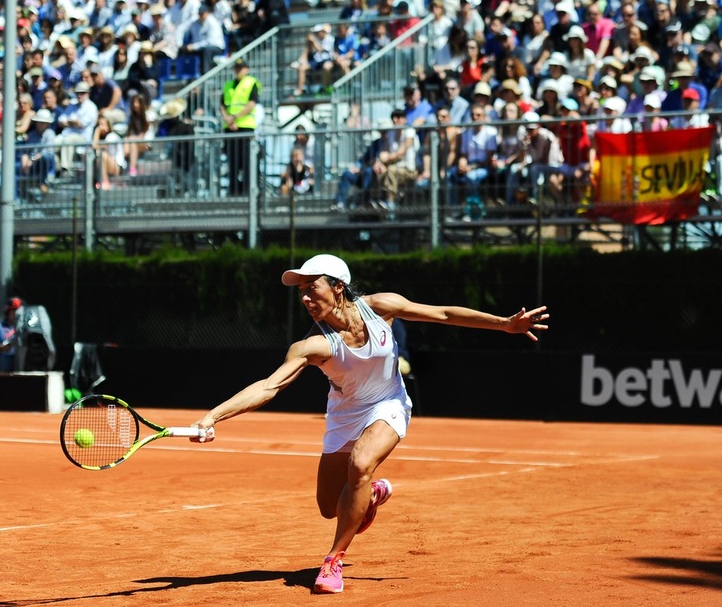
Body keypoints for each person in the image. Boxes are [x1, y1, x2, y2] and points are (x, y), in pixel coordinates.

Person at [189, 254, 549, 595]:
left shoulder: (380, 307)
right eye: (301, 292)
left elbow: (442, 313)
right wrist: (212, 416)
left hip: (389, 404)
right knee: (331, 507)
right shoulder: (313, 346)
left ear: (338, 287)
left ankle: (333, 561)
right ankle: (373, 493)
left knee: (360, 463)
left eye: (312, 288)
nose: (305, 298)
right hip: (344, 416)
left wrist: (504, 324)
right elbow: (270, 386)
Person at [220, 58, 260, 196]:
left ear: (247, 68)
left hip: (245, 127)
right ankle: (233, 191)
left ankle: (248, 192)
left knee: (246, 161)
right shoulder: (228, 84)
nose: (238, 70)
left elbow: (251, 104)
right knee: (232, 162)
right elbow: (222, 105)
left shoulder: (251, 83)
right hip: (230, 128)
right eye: (236, 68)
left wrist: (234, 118)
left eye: (241, 68)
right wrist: (228, 119)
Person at [0, 297, 22, 373]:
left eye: (19, 311)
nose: (17, 313)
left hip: (22, 361)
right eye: (14, 310)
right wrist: (4, 346)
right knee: (4, 357)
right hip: (4, 363)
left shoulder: (26, 327)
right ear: (8, 312)